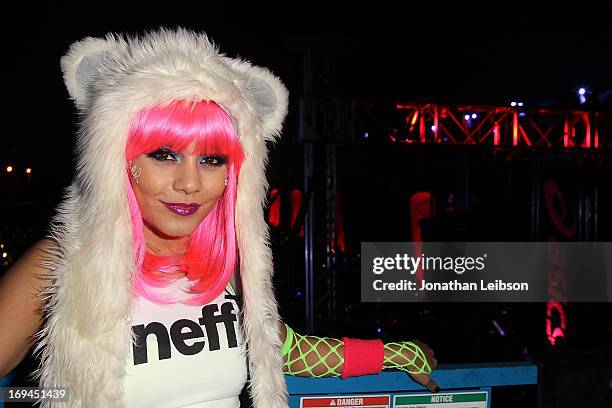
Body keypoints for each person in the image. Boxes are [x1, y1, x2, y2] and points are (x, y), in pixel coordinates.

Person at [0, 28, 437, 407]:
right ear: (121, 159)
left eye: (211, 159)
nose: (190, 183)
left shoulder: (223, 267)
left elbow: (287, 350)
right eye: (164, 155)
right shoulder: (63, 262)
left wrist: (396, 355)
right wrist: (44, 395)